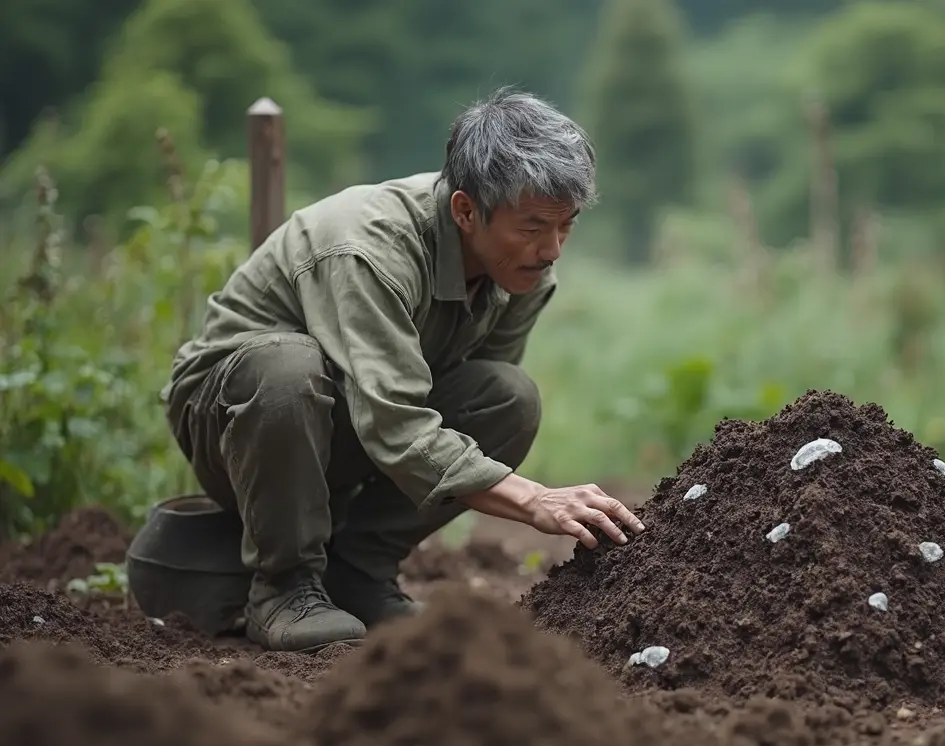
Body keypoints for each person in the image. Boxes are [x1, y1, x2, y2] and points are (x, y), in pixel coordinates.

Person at [162, 87, 644, 653]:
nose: (553, 249)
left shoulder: (523, 273)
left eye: (567, 226)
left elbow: (463, 409)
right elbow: (395, 423)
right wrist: (534, 500)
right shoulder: (370, 249)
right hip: (234, 420)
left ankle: (357, 574)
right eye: (533, 227)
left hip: (345, 416)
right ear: (466, 211)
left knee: (507, 398)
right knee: (288, 365)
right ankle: (283, 587)